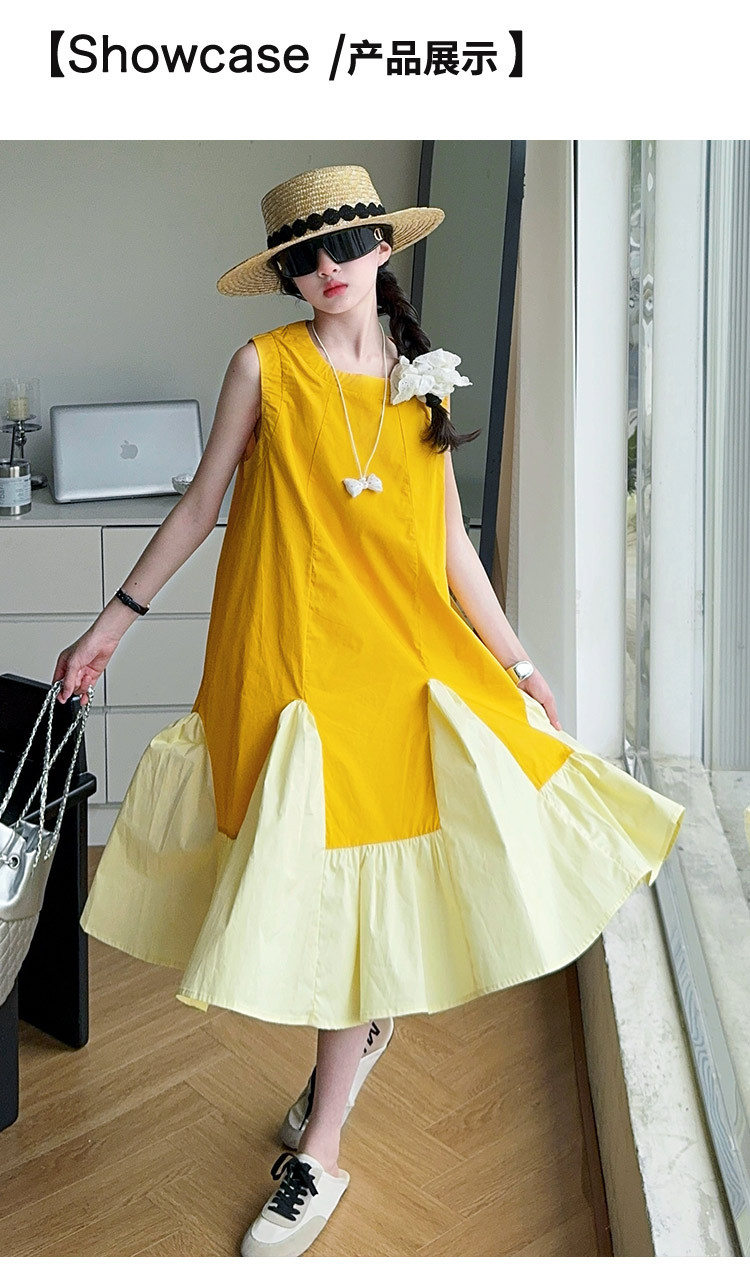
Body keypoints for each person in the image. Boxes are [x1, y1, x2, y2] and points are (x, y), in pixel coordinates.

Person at [53, 163, 685, 1258]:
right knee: (319, 883)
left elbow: (447, 547)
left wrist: (517, 658)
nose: (327, 268)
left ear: (383, 248)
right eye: (303, 258)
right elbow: (201, 506)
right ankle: (350, 1063)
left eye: (345, 246)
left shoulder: (425, 379)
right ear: (286, 277)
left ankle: (323, 1147)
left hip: (401, 662)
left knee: (361, 888)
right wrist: (113, 621)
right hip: (292, 661)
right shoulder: (263, 367)